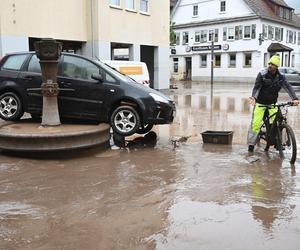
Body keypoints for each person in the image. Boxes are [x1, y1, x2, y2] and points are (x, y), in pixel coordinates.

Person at [247, 54, 299, 152]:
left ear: (276, 66)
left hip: (272, 103)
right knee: (256, 124)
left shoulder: (280, 77)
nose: (270, 65)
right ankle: (251, 144)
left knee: (278, 121)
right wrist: (254, 97)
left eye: (273, 64)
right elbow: (257, 87)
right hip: (260, 103)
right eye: (269, 63)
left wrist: (295, 98)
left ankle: (277, 142)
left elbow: (288, 87)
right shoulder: (262, 74)